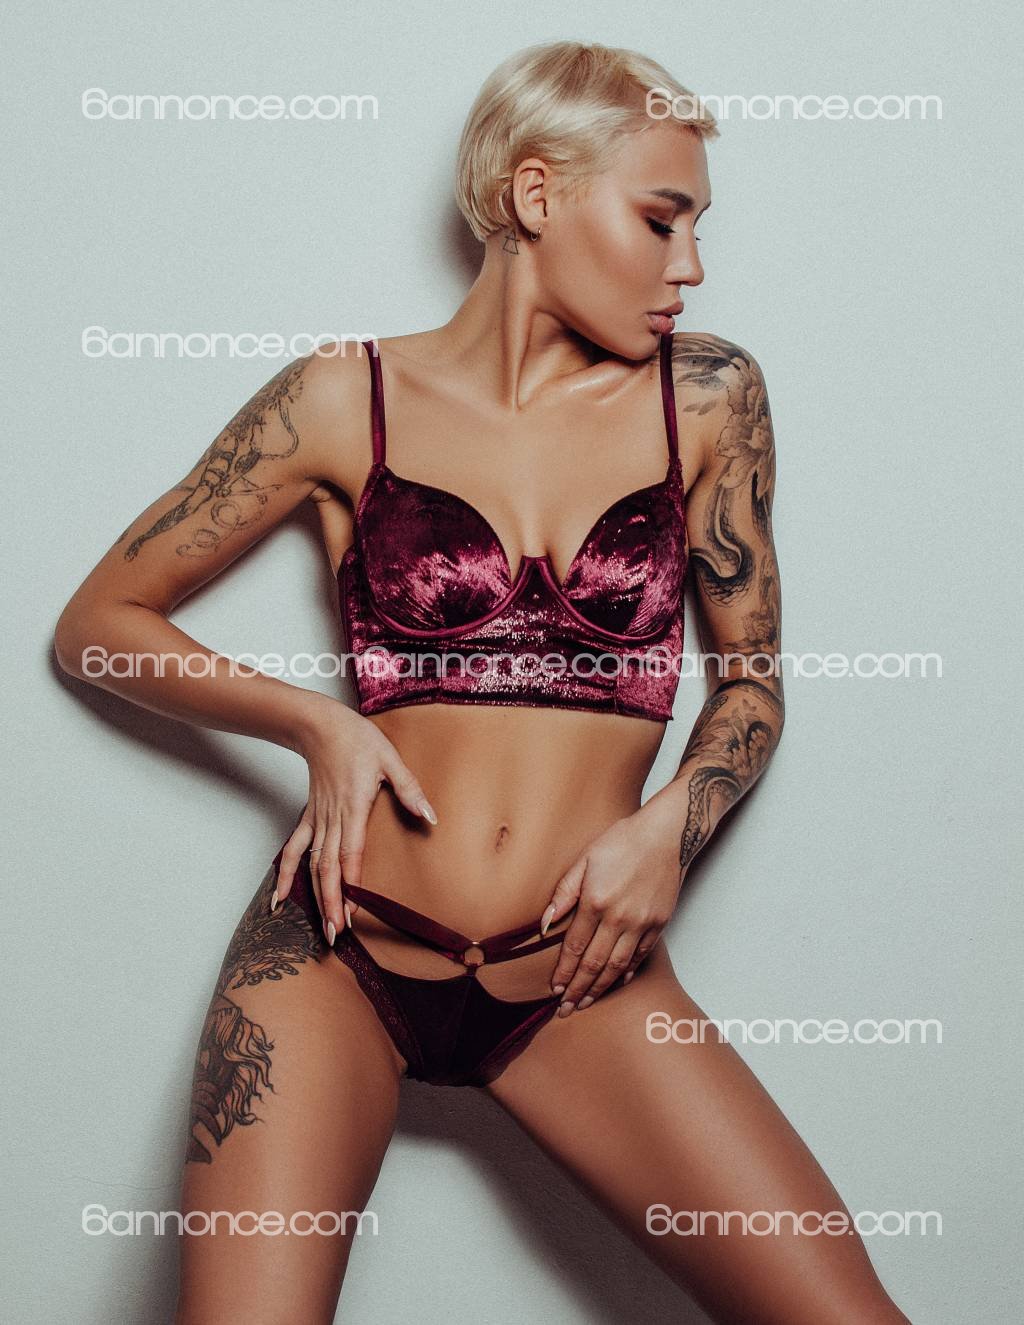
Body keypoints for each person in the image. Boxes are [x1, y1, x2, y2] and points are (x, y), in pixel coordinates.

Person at [55, 39, 910, 1325]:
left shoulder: (708, 398)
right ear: (536, 193)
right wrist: (314, 725)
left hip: (578, 976)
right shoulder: (342, 395)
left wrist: (670, 828)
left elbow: (751, 685)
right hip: (337, 949)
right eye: (661, 218)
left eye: (698, 227)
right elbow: (99, 625)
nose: (689, 265)